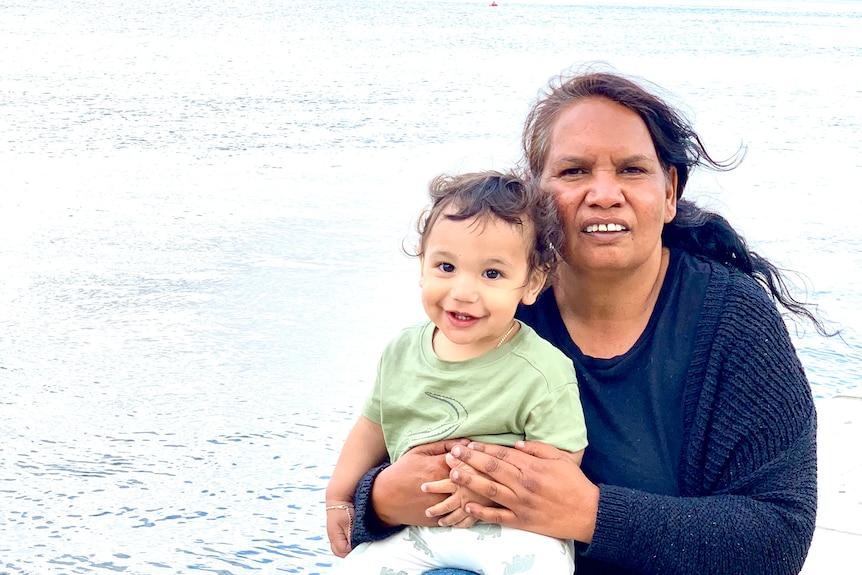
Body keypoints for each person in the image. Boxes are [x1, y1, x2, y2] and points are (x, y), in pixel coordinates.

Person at [348, 68, 830, 575]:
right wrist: (377, 501)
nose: (604, 193)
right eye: (574, 171)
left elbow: (779, 535)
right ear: (536, 196)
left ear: (669, 192)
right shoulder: (496, 303)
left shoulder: (730, 319)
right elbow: (389, 443)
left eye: (631, 170)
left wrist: (591, 515)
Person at [325, 170, 589, 574]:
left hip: (510, 530)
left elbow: (562, 459)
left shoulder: (543, 368)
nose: (463, 291)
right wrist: (339, 499)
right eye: (446, 266)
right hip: (415, 526)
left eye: (492, 274)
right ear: (422, 265)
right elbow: (371, 430)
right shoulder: (401, 351)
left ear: (532, 282)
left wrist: (490, 487)